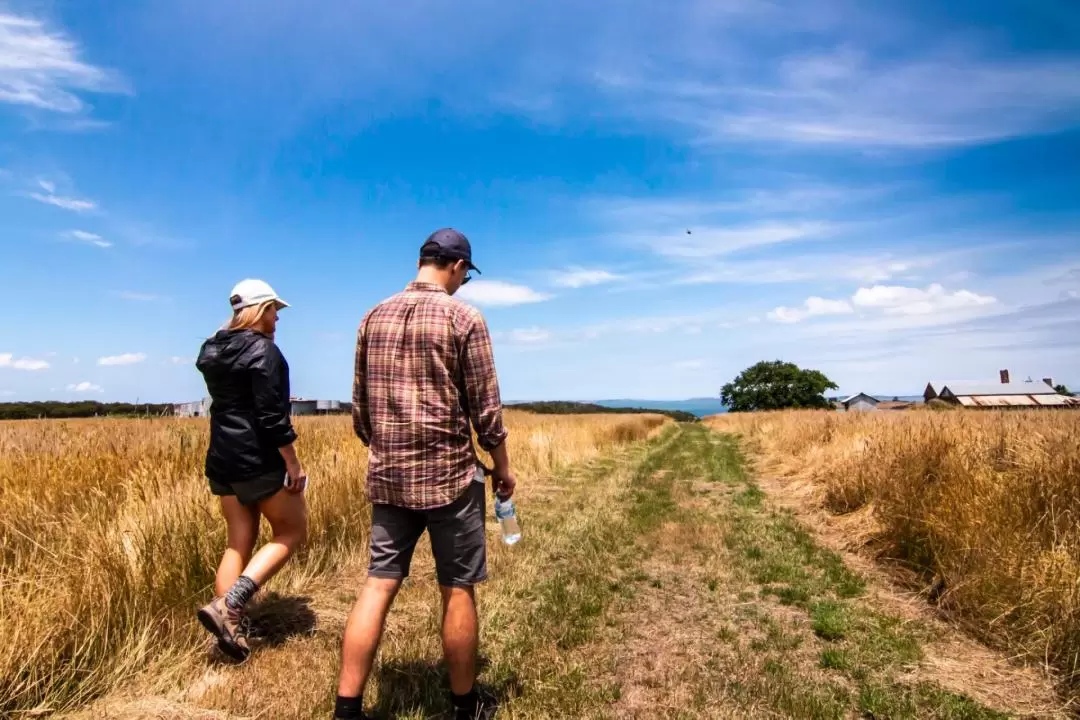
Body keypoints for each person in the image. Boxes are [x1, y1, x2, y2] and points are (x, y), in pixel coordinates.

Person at [334, 229, 516, 720]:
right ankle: (464, 707)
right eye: (465, 275)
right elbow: (486, 410)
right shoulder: (464, 318)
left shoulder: (372, 316)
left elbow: (360, 412)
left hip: (388, 476)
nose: (463, 283)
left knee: (378, 583)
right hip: (450, 478)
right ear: (457, 266)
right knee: (457, 586)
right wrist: (502, 468)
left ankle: (347, 708)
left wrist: (387, 449)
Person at [194, 279, 309, 661]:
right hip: (257, 458)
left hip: (222, 458)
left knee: (237, 542)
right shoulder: (265, 353)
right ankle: (232, 604)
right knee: (292, 530)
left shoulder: (213, 348)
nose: (278, 318)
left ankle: (229, 633)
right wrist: (292, 463)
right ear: (259, 310)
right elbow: (272, 418)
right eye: (274, 309)